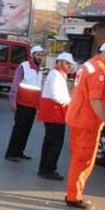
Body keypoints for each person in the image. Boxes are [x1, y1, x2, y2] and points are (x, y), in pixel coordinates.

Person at [64, 40, 105, 210]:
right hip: (87, 122)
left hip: (78, 119)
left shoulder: (88, 66)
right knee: (83, 160)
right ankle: (74, 196)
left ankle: (73, 193)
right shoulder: (98, 71)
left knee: (78, 158)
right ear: (104, 53)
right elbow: (95, 101)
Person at [37, 52, 75, 180]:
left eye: (70, 64)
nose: (69, 66)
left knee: (49, 141)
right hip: (55, 112)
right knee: (55, 143)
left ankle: (44, 168)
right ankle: (49, 169)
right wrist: (68, 101)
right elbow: (55, 94)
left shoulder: (58, 74)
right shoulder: (55, 75)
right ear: (59, 62)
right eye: (67, 63)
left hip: (54, 112)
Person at [5, 45, 44, 161]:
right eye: (38, 55)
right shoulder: (24, 67)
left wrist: (39, 106)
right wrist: (13, 101)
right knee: (19, 129)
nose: (40, 57)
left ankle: (20, 151)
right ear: (32, 55)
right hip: (22, 104)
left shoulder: (39, 70)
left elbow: (38, 89)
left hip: (32, 105)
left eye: (41, 55)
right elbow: (15, 84)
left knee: (26, 130)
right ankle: (11, 153)